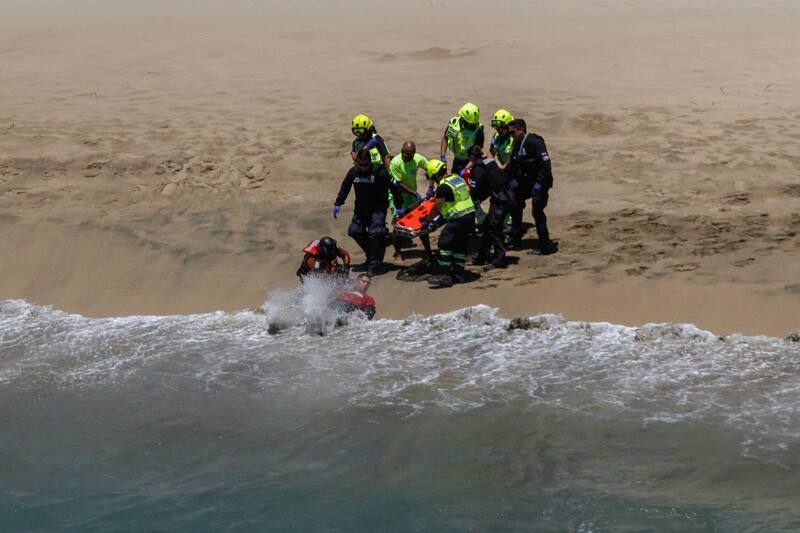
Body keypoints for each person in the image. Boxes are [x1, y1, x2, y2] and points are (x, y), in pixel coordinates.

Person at [333, 149, 402, 275]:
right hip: (361, 208)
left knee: (375, 233)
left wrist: (399, 206)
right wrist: (338, 202)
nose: (363, 167)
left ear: (370, 162)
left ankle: (375, 265)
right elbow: (345, 186)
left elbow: (395, 187)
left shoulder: (379, 172)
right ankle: (372, 254)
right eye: (361, 164)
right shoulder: (354, 172)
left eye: (366, 164)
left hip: (377, 208)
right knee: (354, 231)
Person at [507, 118, 558, 255]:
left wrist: (539, 184)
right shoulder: (517, 144)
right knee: (514, 201)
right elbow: (514, 164)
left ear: (521, 130)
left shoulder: (535, 142)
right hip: (526, 181)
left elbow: (546, 165)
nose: (511, 136)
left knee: (537, 211)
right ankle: (515, 237)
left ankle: (545, 245)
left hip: (540, 182)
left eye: (513, 132)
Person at [422, 159, 476, 288]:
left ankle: (445, 275)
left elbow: (436, 208)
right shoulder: (457, 178)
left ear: (434, 175)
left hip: (458, 218)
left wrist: (427, 221)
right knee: (459, 244)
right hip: (469, 215)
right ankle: (458, 273)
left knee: (444, 243)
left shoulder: (443, 187)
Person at [388, 141, 433, 262]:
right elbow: (398, 184)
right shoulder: (396, 163)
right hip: (397, 195)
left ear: (414, 153)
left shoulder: (418, 159)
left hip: (412, 194)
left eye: (410, 155)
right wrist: (414, 193)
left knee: (420, 222)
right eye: (405, 154)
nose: (407, 157)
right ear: (402, 152)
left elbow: (432, 170)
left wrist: (430, 186)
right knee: (398, 223)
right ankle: (398, 252)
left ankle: (428, 252)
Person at [440, 102, 484, 176]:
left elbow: (477, 153)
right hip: (457, 160)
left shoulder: (478, 130)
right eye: (470, 124)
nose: (473, 126)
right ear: (463, 119)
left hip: (471, 161)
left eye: (474, 124)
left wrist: (466, 168)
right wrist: (443, 156)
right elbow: (446, 138)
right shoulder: (454, 125)